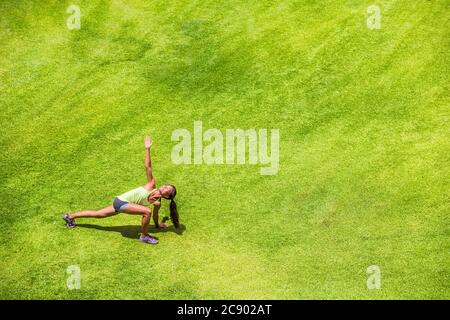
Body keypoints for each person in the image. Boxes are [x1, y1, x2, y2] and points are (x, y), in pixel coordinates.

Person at [62, 136, 179, 245]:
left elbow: (155, 215)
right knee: (147, 211)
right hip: (120, 202)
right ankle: (144, 236)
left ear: (167, 196)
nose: (164, 186)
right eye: (166, 185)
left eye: (167, 189)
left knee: (98, 214)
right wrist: (147, 149)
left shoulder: (157, 202)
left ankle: (70, 216)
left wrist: (158, 225)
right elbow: (148, 167)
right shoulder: (151, 185)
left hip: (122, 204)